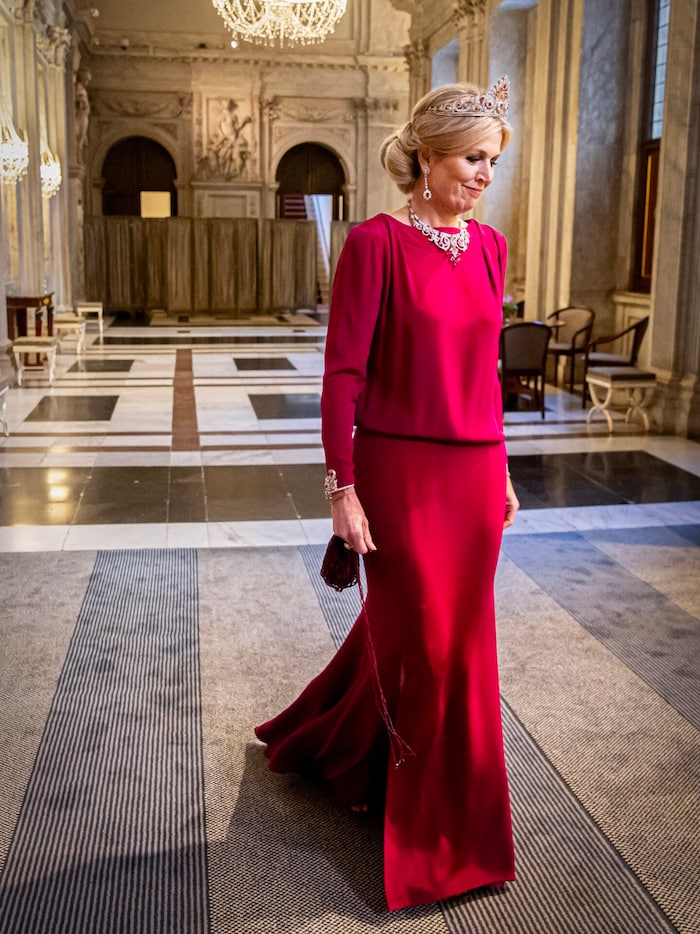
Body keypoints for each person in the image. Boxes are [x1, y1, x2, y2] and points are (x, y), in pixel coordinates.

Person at [255, 76, 520, 912]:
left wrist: (504, 467)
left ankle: (372, 758)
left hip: (474, 476)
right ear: (428, 157)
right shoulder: (374, 244)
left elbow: (487, 374)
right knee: (431, 648)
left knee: (457, 646)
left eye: (492, 161)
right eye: (473, 158)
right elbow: (342, 378)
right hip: (400, 474)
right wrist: (345, 490)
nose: (483, 175)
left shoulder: (490, 248)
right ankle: (437, 837)